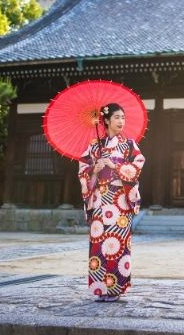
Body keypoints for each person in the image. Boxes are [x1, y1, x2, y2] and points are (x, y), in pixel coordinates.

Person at [78, 102, 145, 302]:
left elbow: (138, 165)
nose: (121, 121)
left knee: (117, 244)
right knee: (99, 244)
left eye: (123, 117)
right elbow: (83, 170)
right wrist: (94, 170)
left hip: (119, 201)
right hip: (99, 199)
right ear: (105, 121)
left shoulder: (129, 145)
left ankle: (115, 288)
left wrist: (115, 164)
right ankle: (100, 288)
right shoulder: (93, 146)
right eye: (116, 117)